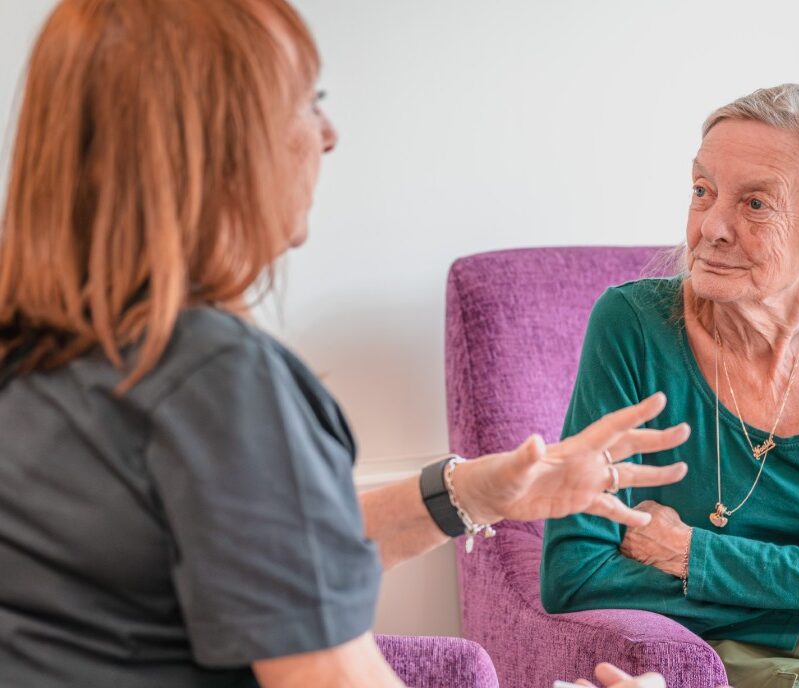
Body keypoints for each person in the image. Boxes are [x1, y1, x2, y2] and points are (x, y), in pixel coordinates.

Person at [0, 1, 689, 687]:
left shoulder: (42, 353)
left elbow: (263, 550)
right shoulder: (213, 378)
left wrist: (476, 492)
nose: (328, 135)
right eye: (309, 102)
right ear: (220, 144)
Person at [540, 83, 799, 687]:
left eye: (756, 204)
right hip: (732, 640)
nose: (711, 227)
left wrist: (688, 553)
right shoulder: (631, 327)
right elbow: (574, 574)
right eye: (702, 190)